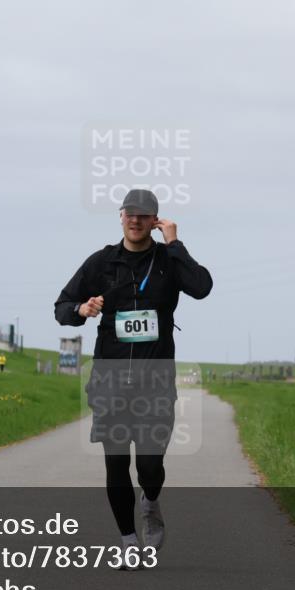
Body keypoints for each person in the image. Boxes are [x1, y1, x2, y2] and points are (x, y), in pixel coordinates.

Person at [54, 188, 212, 569]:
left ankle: (151, 501)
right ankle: (127, 540)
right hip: (109, 377)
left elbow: (202, 287)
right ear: (121, 216)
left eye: (145, 216)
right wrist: (82, 308)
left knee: (149, 467)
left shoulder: (168, 259)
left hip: (155, 379)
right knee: (115, 463)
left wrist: (175, 243)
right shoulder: (102, 262)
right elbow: (62, 307)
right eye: (130, 214)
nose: (136, 221)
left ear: (155, 221)